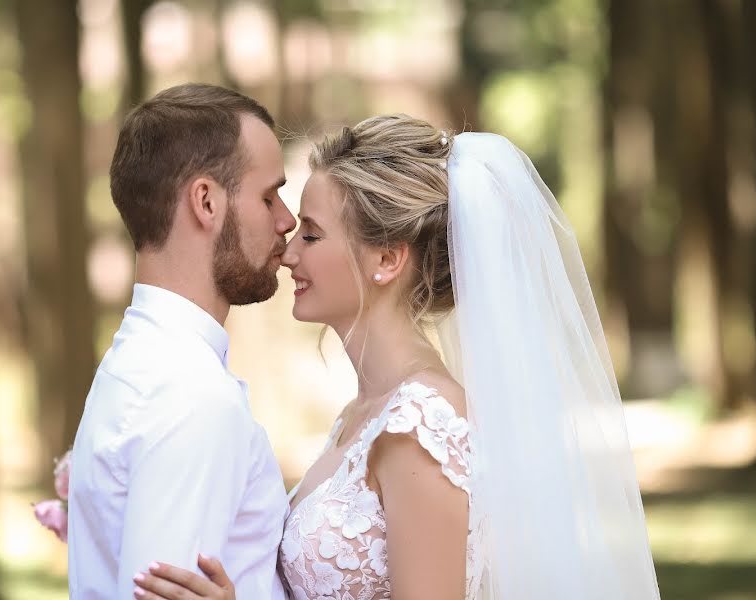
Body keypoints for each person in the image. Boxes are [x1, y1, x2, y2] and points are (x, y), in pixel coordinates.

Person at [135, 115, 662, 599]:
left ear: (386, 259)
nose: (289, 253)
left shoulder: (420, 428)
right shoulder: (361, 415)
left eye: (312, 235)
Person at [67, 83, 297, 599]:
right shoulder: (191, 396)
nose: (287, 220)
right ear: (207, 201)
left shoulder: (138, 363)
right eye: (268, 196)